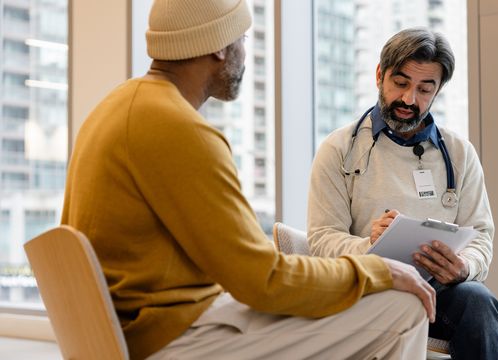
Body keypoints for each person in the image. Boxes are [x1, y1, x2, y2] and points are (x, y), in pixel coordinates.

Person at [61, 1, 437, 359]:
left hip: (145, 324)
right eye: (241, 39)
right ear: (220, 47)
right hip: (171, 338)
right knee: (401, 307)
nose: (244, 51)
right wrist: (378, 269)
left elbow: (236, 267)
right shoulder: (179, 129)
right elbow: (263, 281)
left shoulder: (117, 106)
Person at [307, 27, 498, 359]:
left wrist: (464, 267)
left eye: (424, 89)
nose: (409, 100)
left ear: (438, 90)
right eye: (400, 83)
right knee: (395, 308)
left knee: (479, 302)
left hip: (439, 291)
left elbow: (482, 235)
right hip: (369, 286)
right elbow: (322, 237)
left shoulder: (459, 153)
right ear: (379, 76)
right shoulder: (339, 149)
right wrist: (369, 245)